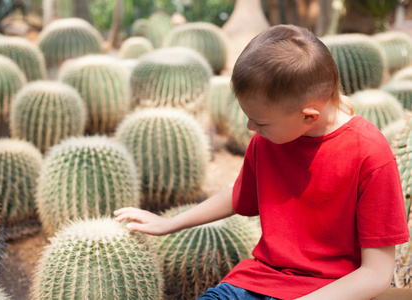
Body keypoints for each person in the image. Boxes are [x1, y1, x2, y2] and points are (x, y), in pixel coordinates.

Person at [114, 24, 410, 300]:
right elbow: (239, 193)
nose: (250, 129)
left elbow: (376, 274)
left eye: (260, 121)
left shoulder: (369, 154)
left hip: (332, 291)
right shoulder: (268, 139)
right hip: (256, 283)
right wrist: (169, 223)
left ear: (309, 116)